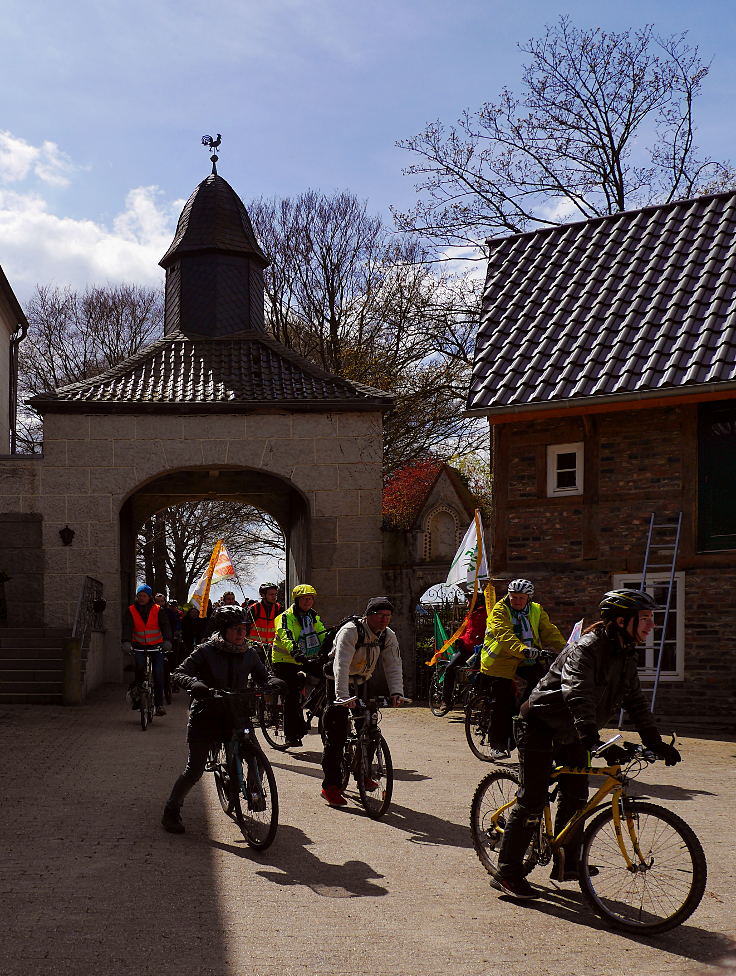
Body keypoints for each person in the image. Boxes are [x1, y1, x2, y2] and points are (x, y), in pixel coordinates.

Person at [490, 589, 682, 901]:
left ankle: (566, 865)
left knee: (576, 795)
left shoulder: (624, 652)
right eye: (645, 619)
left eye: (652, 619)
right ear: (622, 621)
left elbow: (634, 699)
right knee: (533, 799)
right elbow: (575, 692)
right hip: (540, 724)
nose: (651, 625)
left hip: (574, 731)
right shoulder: (587, 648)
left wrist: (654, 741)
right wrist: (594, 739)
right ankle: (507, 872)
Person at [161, 605, 286, 834]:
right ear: (224, 630)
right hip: (206, 714)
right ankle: (172, 809)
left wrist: (271, 682)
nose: (241, 634)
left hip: (237, 714)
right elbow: (179, 672)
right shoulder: (205, 651)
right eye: (236, 629)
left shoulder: (249, 653)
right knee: (195, 769)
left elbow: (263, 675)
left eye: (244, 629)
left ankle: (254, 792)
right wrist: (194, 684)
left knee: (256, 756)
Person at [320, 597, 405, 807]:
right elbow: (341, 664)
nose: (384, 620)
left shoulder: (388, 635)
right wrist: (342, 697)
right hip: (338, 680)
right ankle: (330, 786)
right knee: (337, 735)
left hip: (363, 680)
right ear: (368, 615)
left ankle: (363, 773)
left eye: (388, 616)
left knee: (370, 728)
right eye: (380, 615)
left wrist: (397, 692)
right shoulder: (351, 631)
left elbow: (393, 664)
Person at [479, 579, 566, 760]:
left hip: (527, 658)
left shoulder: (536, 610)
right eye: (513, 597)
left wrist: (567, 649)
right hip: (500, 661)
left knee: (541, 692)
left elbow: (549, 631)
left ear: (528, 598)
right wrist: (523, 650)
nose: (517, 601)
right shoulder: (499, 610)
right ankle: (497, 744)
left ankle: (524, 723)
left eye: (521, 598)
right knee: (502, 702)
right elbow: (504, 635)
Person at [272, 584, 327, 747]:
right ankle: (290, 735)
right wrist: (295, 651)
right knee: (292, 696)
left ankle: (313, 706)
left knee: (327, 677)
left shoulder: (313, 617)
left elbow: (322, 634)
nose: (308, 602)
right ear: (297, 600)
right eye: (304, 599)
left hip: (306, 658)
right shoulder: (285, 617)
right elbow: (285, 635)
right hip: (285, 660)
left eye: (310, 599)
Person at [122, 583, 173, 716]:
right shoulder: (131, 610)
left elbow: (165, 625)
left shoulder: (158, 609)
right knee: (139, 670)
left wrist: (167, 640)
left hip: (156, 646)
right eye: (139, 596)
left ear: (149, 597)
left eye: (144, 596)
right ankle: (138, 699)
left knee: (158, 672)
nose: (141, 598)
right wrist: (126, 642)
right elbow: (127, 627)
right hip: (139, 646)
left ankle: (159, 704)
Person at [441, 592, 488, 708]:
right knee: (450, 668)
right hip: (466, 650)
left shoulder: (486, 613)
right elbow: (465, 631)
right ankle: (445, 700)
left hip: (480, 650)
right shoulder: (470, 614)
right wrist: (460, 639)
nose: (467, 601)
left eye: (469, 599)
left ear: (477, 600)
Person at [245, 582, 282, 648]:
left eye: (275, 594)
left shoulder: (278, 609)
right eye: (271, 594)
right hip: (255, 647)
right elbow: (245, 629)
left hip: (272, 648)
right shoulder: (254, 608)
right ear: (263, 595)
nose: (274, 597)